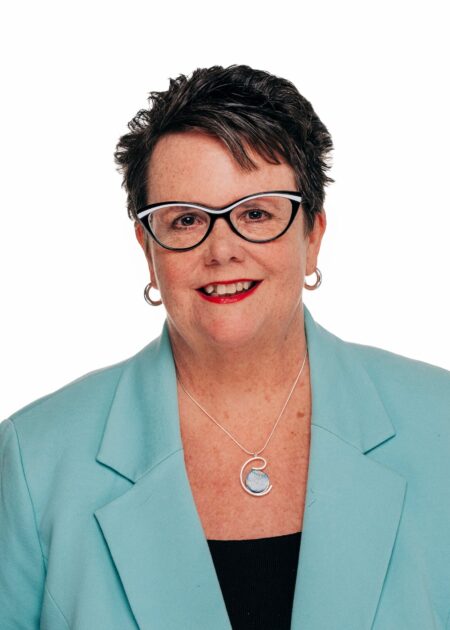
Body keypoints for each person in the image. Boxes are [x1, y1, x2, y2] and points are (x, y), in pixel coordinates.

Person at [1, 64, 449, 630]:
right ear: (147, 250)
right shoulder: (33, 462)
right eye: (186, 220)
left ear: (312, 235)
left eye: (256, 213)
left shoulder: (441, 423)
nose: (222, 250)